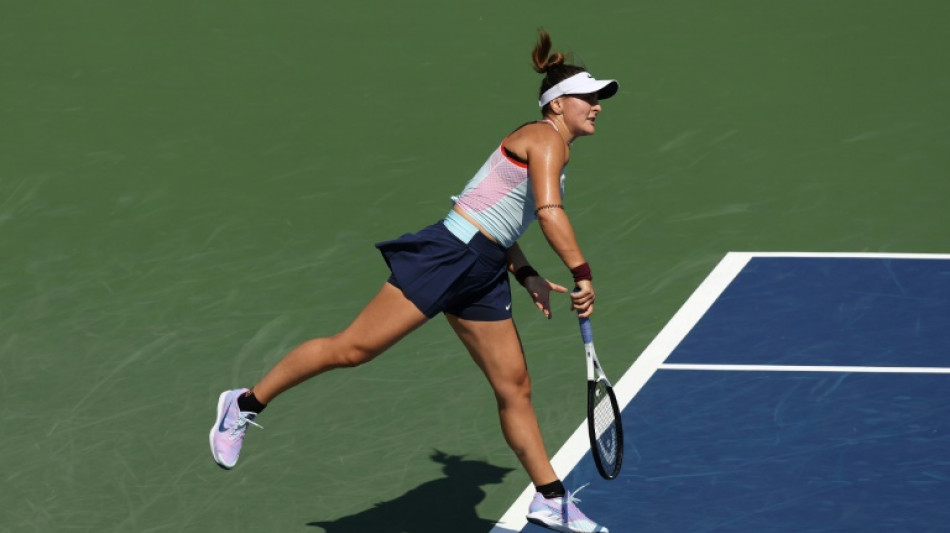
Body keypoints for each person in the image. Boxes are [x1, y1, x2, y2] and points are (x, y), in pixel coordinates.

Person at [210, 28, 618, 533]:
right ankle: (243, 403)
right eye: (588, 97)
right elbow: (548, 214)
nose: (597, 106)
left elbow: (499, 217)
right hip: (449, 256)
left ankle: (550, 498)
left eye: (599, 99)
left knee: (514, 387)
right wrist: (581, 273)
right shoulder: (544, 138)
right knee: (354, 349)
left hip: (484, 269)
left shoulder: (551, 147)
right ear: (557, 105)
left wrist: (527, 273)